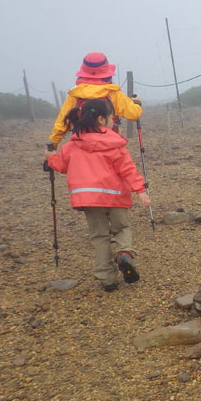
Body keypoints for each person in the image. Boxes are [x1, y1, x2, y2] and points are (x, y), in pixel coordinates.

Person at [44, 98, 152, 292]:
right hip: (116, 196)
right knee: (122, 228)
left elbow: (62, 166)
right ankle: (123, 254)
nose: (114, 121)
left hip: (88, 199)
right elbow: (128, 169)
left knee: (100, 236)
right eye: (112, 117)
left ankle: (107, 279)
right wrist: (141, 191)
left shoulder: (72, 145)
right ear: (101, 120)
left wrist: (50, 158)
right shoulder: (114, 143)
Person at [47, 52, 142, 149]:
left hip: (82, 146)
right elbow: (133, 114)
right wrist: (137, 103)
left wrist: (53, 144)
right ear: (107, 74)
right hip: (110, 145)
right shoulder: (113, 93)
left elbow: (62, 124)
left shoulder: (75, 94)